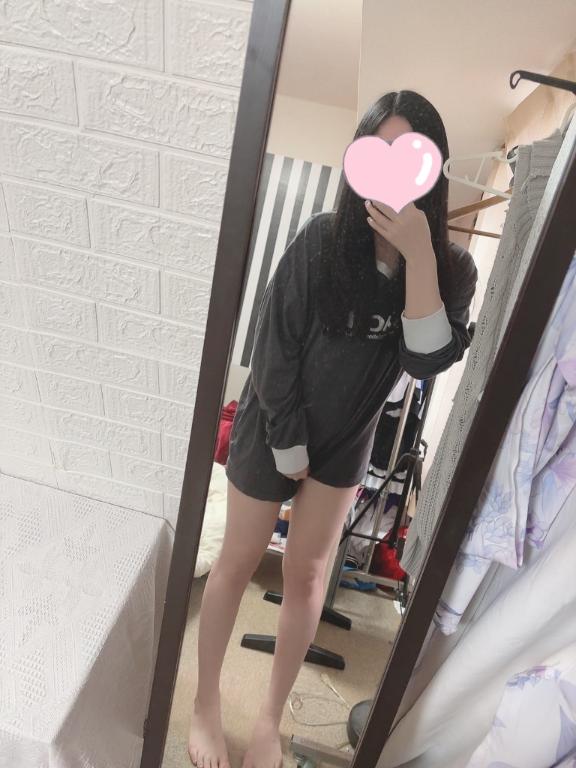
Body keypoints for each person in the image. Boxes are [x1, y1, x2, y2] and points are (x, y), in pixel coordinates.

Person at [188, 90, 479, 768]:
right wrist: (288, 444)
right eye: (377, 153)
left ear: (432, 168)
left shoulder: (452, 268)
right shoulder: (322, 241)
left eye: (408, 157)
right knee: (237, 560)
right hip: (273, 423)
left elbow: (426, 361)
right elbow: (273, 348)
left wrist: (420, 256)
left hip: (348, 441)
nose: (391, 174)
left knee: (310, 573)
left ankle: (268, 721)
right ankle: (204, 704)